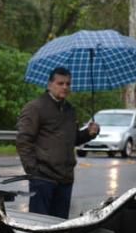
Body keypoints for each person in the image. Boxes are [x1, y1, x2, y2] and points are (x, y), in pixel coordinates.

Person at [15, 67, 99, 218]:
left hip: (65, 179)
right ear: (49, 85)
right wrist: (33, 172)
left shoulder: (69, 109)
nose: (65, 87)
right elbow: (23, 141)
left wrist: (89, 133)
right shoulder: (35, 107)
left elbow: (72, 139)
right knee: (39, 225)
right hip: (43, 178)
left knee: (59, 226)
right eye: (60, 83)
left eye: (68, 84)